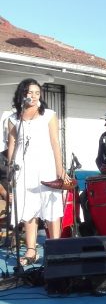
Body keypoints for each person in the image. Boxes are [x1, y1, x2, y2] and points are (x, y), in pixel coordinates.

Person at [6, 78, 71, 266]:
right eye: (29, 93)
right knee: (28, 207)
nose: (33, 96)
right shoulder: (13, 119)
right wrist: (11, 171)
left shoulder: (48, 114)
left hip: (46, 165)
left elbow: (55, 142)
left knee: (50, 207)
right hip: (23, 167)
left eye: (36, 93)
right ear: (22, 94)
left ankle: (55, 249)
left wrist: (60, 168)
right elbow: (12, 146)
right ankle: (31, 250)